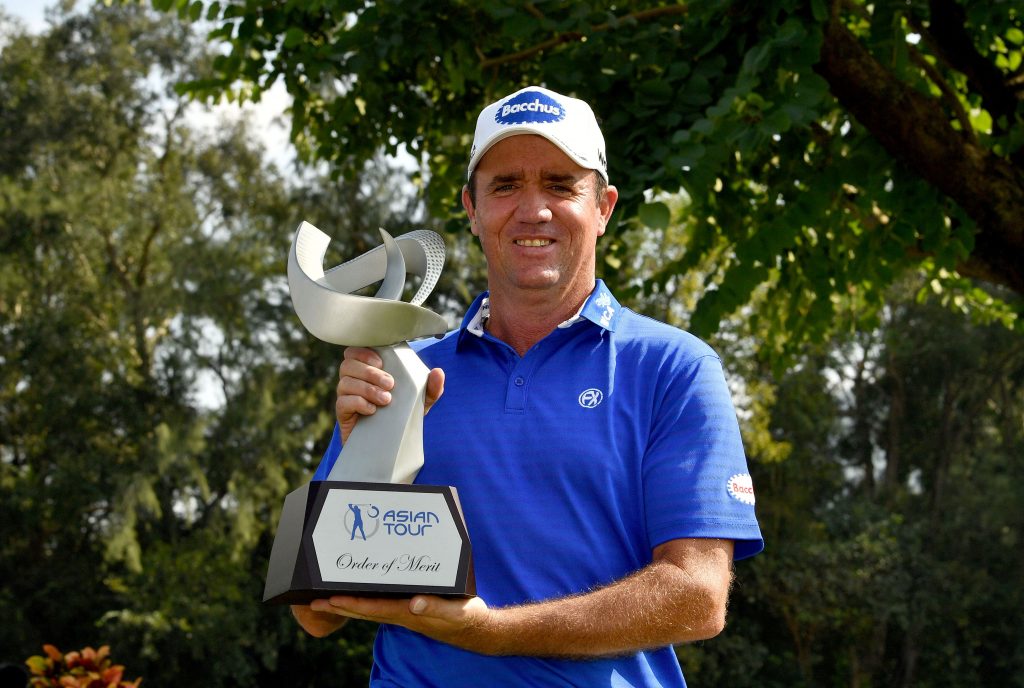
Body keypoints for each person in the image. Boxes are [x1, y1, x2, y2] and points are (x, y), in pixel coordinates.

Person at [291, 86, 764, 687]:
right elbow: (314, 614)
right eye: (506, 185)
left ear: (604, 207)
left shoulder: (674, 368)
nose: (532, 209)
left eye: (561, 185)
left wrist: (492, 633)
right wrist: (364, 459)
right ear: (471, 207)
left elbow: (697, 597)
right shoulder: (403, 373)